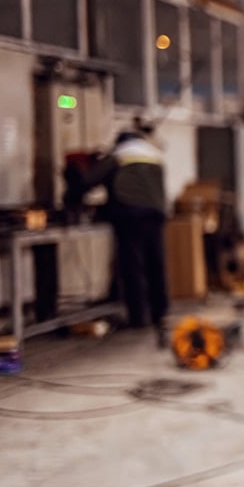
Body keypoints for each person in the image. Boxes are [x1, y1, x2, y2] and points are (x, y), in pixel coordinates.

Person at [83, 117, 169, 337]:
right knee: (155, 264)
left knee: (133, 267)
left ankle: (138, 317)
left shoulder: (119, 155)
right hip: (156, 214)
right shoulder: (154, 154)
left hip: (130, 216)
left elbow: (89, 181)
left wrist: (74, 188)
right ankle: (160, 313)